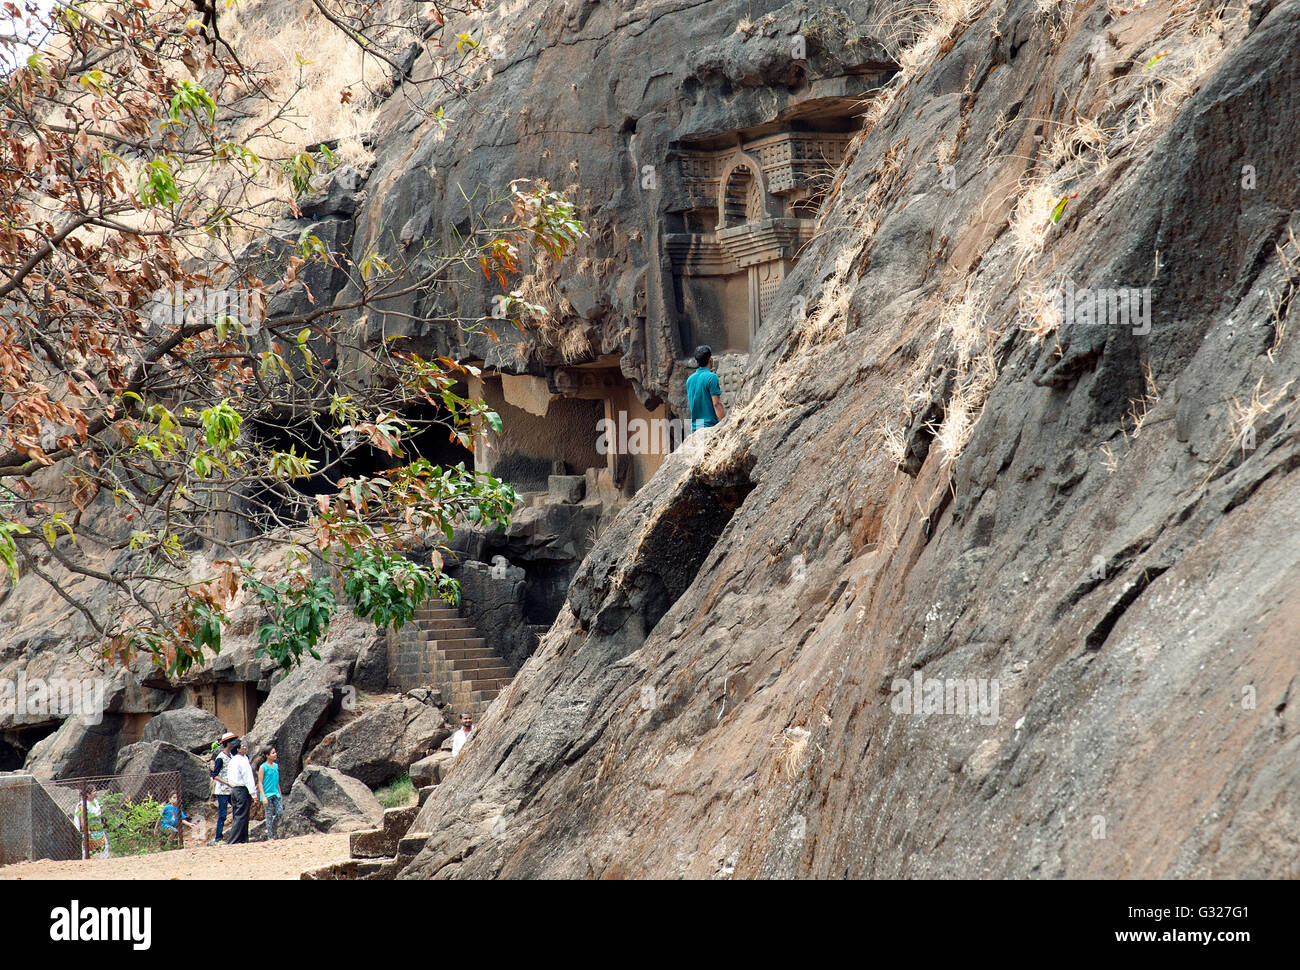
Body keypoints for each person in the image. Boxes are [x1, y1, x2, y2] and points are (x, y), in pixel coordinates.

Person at [686, 345, 725, 432]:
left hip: (696, 428)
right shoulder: (712, 377)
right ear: (710, 359)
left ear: (697, 362)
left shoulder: (690, 380)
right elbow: (716, 404)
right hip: (710, 427)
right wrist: (725, 424)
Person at [225, 738, 256, 844]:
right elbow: (248, 778)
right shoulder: (243, 761)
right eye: (242, 746)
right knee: (241, 815)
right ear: (238, 749)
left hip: (234, 790)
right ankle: (233, 840)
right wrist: (253, 793)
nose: (244, 748)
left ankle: (243, 839)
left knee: (238, 814)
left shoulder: (232, 761)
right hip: (242, 789)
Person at [211, 732, 236, 845]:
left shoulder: (233, 756)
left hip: (232, 789)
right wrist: (226, 783)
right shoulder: (220, 758)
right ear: (228, 743)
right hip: (222, 790)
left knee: (237, 810)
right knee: (222, 814)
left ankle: (235, 834)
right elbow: (214, 775)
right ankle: (218, 837)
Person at [257, 747, 282, 841]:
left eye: (275, 752)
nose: (275, 754)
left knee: (280, 812)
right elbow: (260, 782)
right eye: (273, 753)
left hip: (276, 794)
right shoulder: (263, 767)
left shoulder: (276, 766)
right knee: (269, 815)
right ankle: (270, 836)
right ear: (267, 756)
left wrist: (280, 793)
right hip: (267, 795)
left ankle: (275, 831)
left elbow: (277, 781)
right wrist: (263, 796)